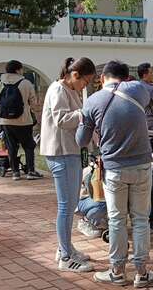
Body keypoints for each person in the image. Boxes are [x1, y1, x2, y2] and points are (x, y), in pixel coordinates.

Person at [76, 61, 153, 288]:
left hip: (114, 168)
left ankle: (117, 271)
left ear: (102, 78)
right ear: (126, 77)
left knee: (117, 220)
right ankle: (142, 273)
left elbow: (81, 141)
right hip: (142, 164)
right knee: (141, 219)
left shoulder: (92, 101)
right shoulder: (139, 90)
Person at [40, 57, 96, 272]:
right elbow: (62, 120)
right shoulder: (58, 90)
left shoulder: (70, 90)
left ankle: (66, 248)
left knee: (69, 205)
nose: (85, 86)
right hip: (61, 153)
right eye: (85, 81)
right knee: (66, 206)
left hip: (70, 152)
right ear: (75, 75)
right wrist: (85, 113)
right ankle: (65, 256)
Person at [0, 60, 42, 181]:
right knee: (28, 145)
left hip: (5, 121)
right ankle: (30, 171)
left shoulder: (1, 83)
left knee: (11, 147)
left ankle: (15, 173)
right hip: (23, 120)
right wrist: (30, 109)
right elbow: (33, 101)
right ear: (18, 70)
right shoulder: (26, 83)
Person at [75, 163, 108, 239]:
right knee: (103, 202)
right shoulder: (90, 169)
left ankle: (101, 221)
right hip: (80, 201)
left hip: (90, 200)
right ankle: (85, 221)